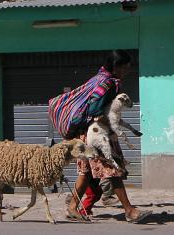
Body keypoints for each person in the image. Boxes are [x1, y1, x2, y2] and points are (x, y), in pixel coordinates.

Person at [61, 50, 151, 223]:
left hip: (86, 134)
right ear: (115, 66)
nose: (127, 70)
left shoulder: (100, 79)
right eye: (125, 67)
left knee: (86, 173)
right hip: (97, 134)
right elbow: (94, 109)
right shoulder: (107, 83)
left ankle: (73, 207)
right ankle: (129, 211)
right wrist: (109, 124)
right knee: (112, 170)